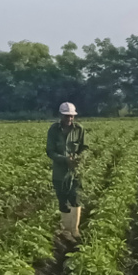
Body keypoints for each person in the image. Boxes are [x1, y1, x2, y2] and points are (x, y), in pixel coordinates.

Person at [46, 102, 88, 240]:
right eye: (66, 116)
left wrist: (79, 158)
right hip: (59, 171)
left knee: (75, 197)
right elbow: (50, 151)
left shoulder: (79, 129)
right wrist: (65, 160)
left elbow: (85, 148)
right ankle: (66, 230)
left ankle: (75, 229)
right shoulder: (54, 130)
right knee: (62, 199)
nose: (69, 119)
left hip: (76, 170)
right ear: (61, 115)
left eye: (71, 116)